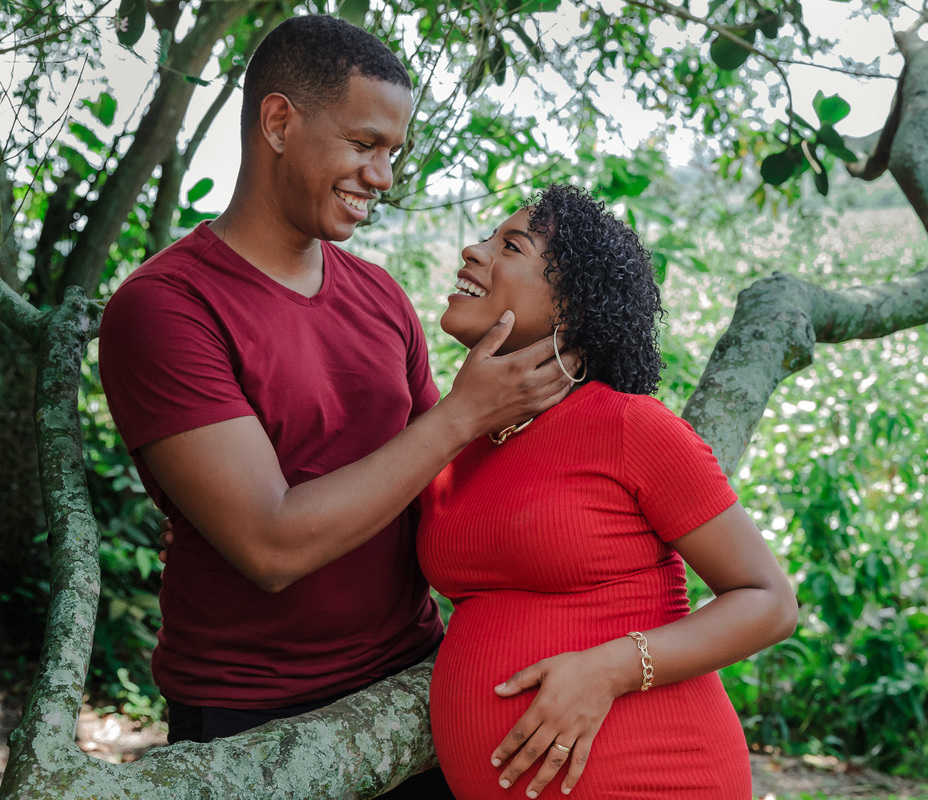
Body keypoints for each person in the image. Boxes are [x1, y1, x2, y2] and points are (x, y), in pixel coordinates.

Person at [98, 15, 577, 796]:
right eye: (364, 144)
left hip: (411, 685)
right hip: (250, 718)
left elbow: (440, 494)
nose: (383, 177)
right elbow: (270, 546)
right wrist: (461, 414)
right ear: (279, 122)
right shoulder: (166, 307)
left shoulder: (379, 296)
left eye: (393, 153)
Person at [417, 183, 799, 799]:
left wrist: (611, 668)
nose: (473, 250)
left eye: (510, 245)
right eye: (487, 237)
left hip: (658, 773)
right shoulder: (457, 441)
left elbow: (769, 601)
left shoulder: (628, 425)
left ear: (570, 306)